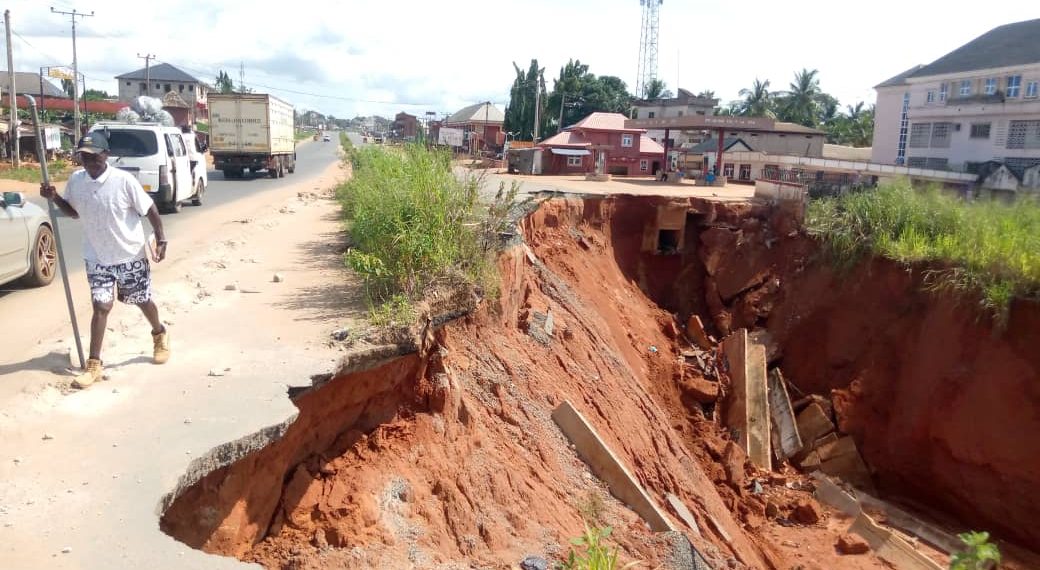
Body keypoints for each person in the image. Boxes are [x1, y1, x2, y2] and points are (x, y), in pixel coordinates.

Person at [40, 132, 171, 389]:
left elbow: (150, 209)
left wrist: (161, 238)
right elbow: (73, 212)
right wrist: (54, 197)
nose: (89, 161)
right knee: (101, 306)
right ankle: (94, 365)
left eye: (94, 156)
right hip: (97, 256)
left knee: (141, 299)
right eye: (84, 157)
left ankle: (159, 333)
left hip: (129, 253)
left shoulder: (124, 181)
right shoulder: (76, 180)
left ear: (106, 155)